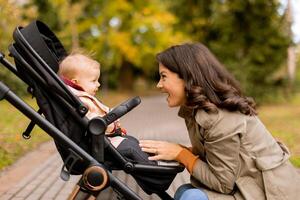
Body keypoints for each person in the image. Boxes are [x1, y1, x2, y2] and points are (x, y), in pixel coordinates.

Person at [139, 43, 300, 200]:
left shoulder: (220, 118)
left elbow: (223, 183)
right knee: (184, 191)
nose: (159, 84)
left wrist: (181, 154)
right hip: (246, 186)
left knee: (191, 197)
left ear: (187, 76)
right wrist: (179, 151)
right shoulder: (196, 110)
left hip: (272, 194)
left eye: (164, 76)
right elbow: (218, 153)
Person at [58, 53, 156, 165]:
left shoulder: (80, 99)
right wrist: (113, 124)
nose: (98, 84)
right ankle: (158, 177)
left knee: (134, 143)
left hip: (102, 141)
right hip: (97, 144)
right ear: (75, 82)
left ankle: (154, 169)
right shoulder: (81, 102)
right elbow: (94, 123)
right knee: (132, 149)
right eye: (93, 81)